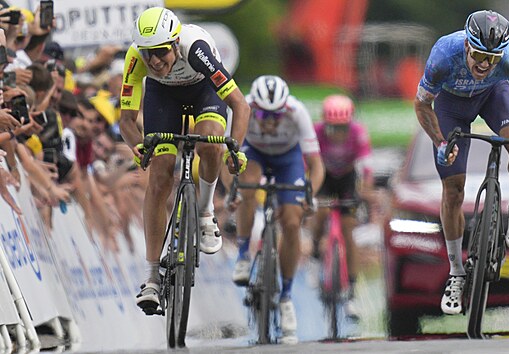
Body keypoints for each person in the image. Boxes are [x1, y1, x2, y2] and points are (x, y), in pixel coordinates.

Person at [413, 10, 509, 315]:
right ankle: (456, 273)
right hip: (451, 105)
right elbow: (422, 103)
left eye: (492, 58)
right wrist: (439, 141)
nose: (484, 65)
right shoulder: (443, 55)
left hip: (493, 96)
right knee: (453, 190)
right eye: (478, 55)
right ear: (466, 46)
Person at [118, 7, 250, 313]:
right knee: (160, 175)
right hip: (162, 97)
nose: (154, 61)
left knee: (210, 145)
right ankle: (152, 277)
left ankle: (204, 212)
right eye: (147, 53)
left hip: (204, 91)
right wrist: (138, 146)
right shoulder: (136, 58)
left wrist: (237, 149)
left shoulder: (196, 50)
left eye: (160, 52)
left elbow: (240, 106)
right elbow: (126, 119)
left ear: (175, 44)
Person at [230, 75, 324, 344]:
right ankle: (243, 254)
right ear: (253, 107)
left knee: (293, 223)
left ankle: (286, 297)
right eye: (262, 114)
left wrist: (309, 194)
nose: (270, 121)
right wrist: (232, 191)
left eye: (277, 115)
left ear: (286, 108)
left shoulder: (297, 112)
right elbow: (228, 159)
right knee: (247, 186)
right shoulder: (241, 106)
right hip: (254, 153)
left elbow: (317, 167)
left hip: (288, 159)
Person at [310, 94, 373, 320]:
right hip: (324, 176)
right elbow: (306, 162)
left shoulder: (358, 132)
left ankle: (352, 292)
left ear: (350, 124)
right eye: (332, 128)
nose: (337, 134)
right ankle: (316, 250)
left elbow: (366, 166)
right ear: (324, 124)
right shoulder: (315, 132)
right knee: (320, 212)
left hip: (346, 178)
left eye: (342, 128)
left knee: (349, 230)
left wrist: (366, 190)